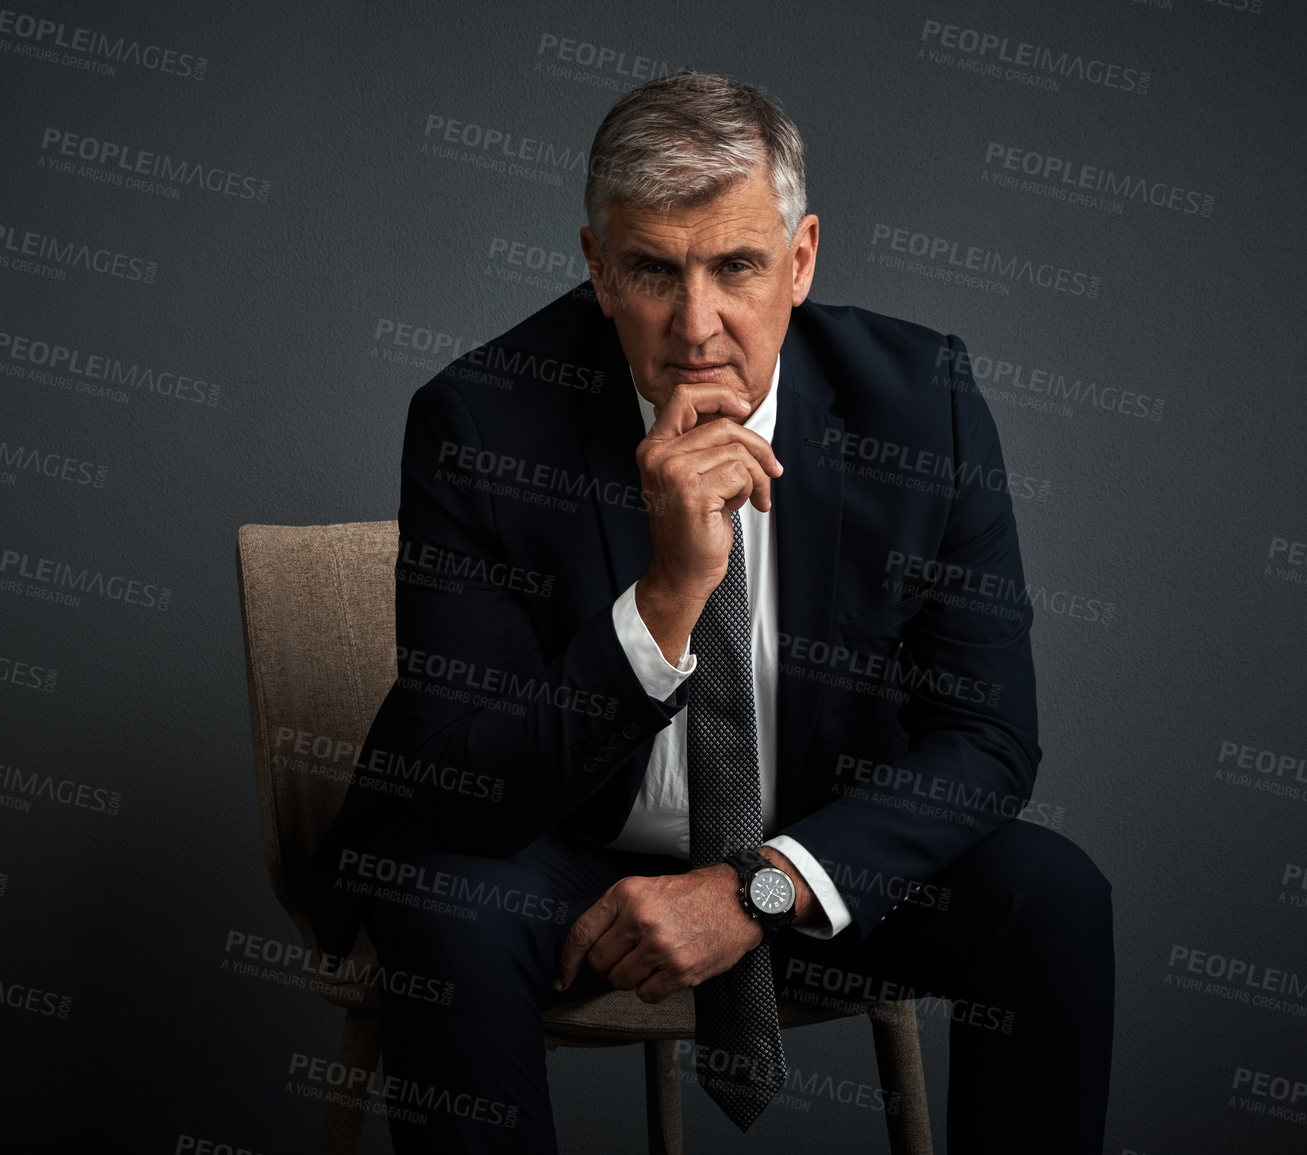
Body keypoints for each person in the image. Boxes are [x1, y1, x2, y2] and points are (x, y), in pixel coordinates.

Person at [306, 71, 1113, 1153]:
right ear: (598, 269)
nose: (697, 326)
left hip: (811, 859)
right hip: (566, 858)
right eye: (652, 270)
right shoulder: (479, 424)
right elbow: (467, 783)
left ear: (802, 259)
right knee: (445, 912)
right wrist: (669, 593)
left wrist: (761, 887)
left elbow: (989, 738)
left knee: (1050, 896)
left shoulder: (924, 408)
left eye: (736, 266)